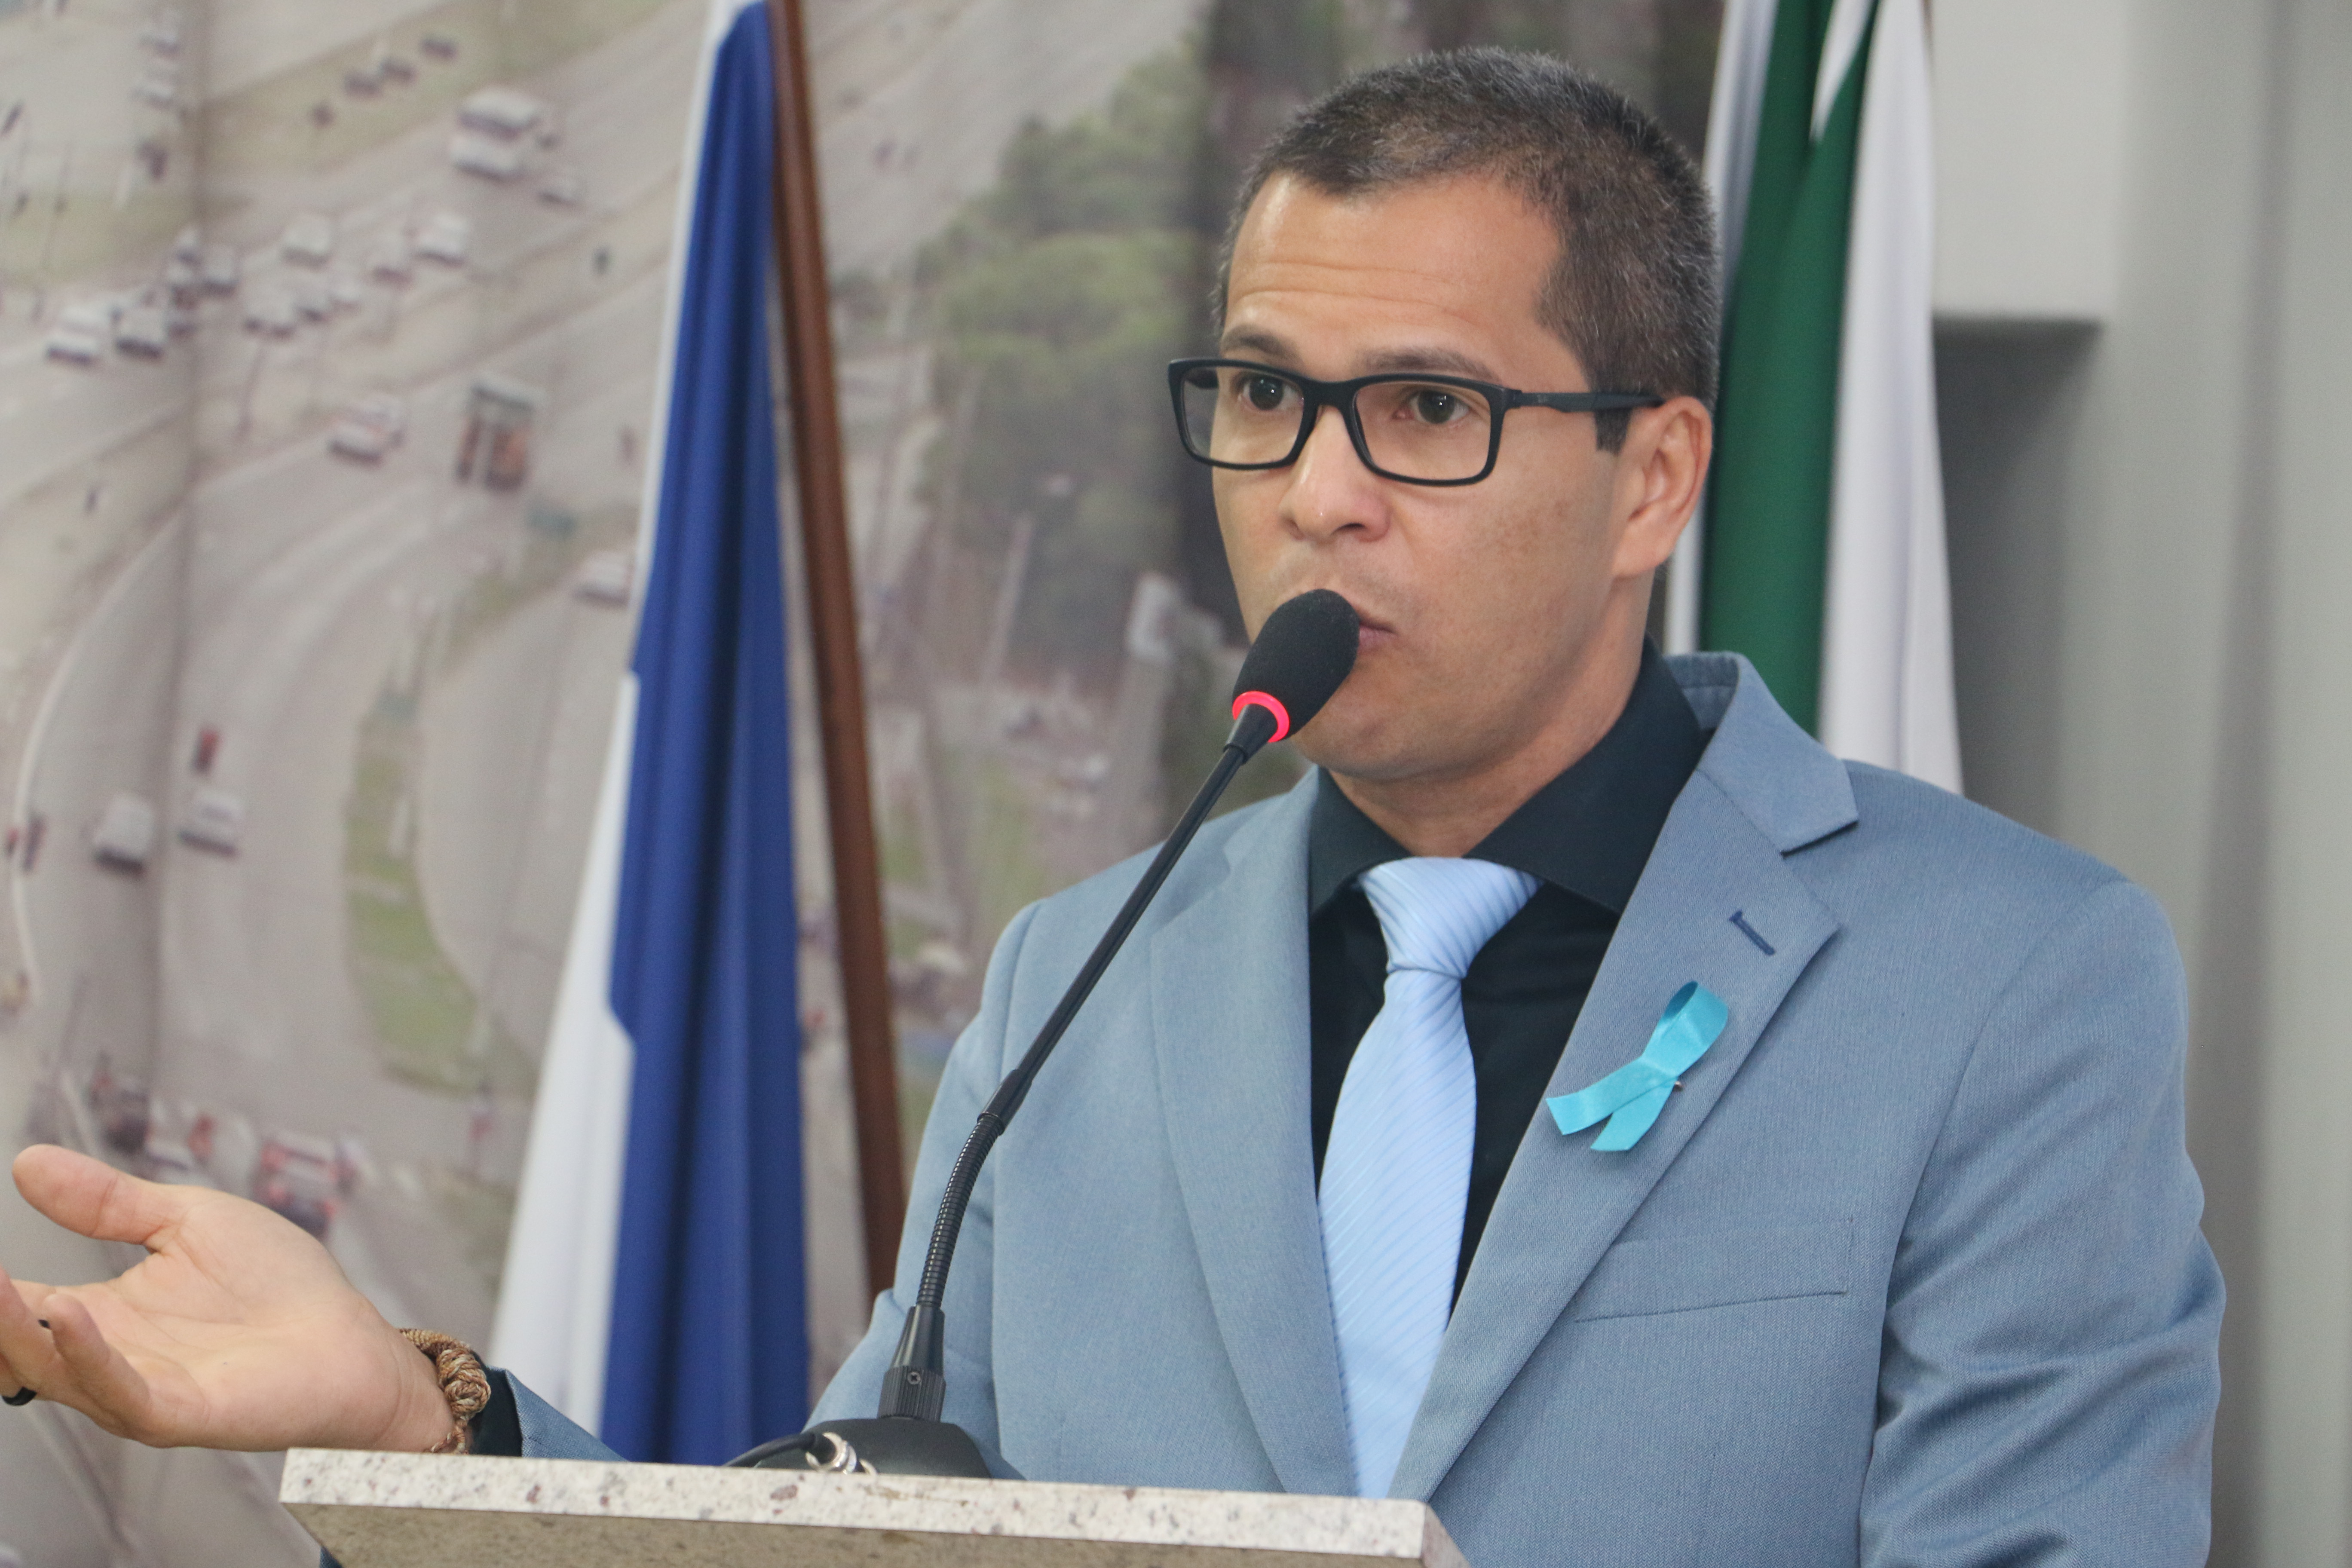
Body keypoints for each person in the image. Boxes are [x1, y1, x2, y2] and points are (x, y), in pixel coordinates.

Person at [0, 50, 2218, 1567]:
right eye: (1265, 395)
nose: (1317, 493)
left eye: (1424, 409)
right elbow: (838, 1543)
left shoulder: (2004, 986)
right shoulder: (1082, 980)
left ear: (1655, 476)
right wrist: (411, 1418)